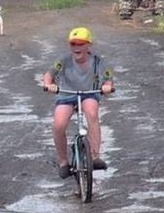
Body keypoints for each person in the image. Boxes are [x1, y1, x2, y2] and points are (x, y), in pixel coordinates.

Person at [42, 26, 114, 179]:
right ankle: (63, 162)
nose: (76, 47)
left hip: (89, 94)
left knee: (92, 113)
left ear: (89, 45)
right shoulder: (63, 60)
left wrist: (107, 86)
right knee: (58, 124)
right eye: (73, 44)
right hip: (66, 95)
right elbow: (49, 74)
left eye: (80, 44)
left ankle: (95, 157)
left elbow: (108, 78)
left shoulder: (98, 61)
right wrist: (49, 84)